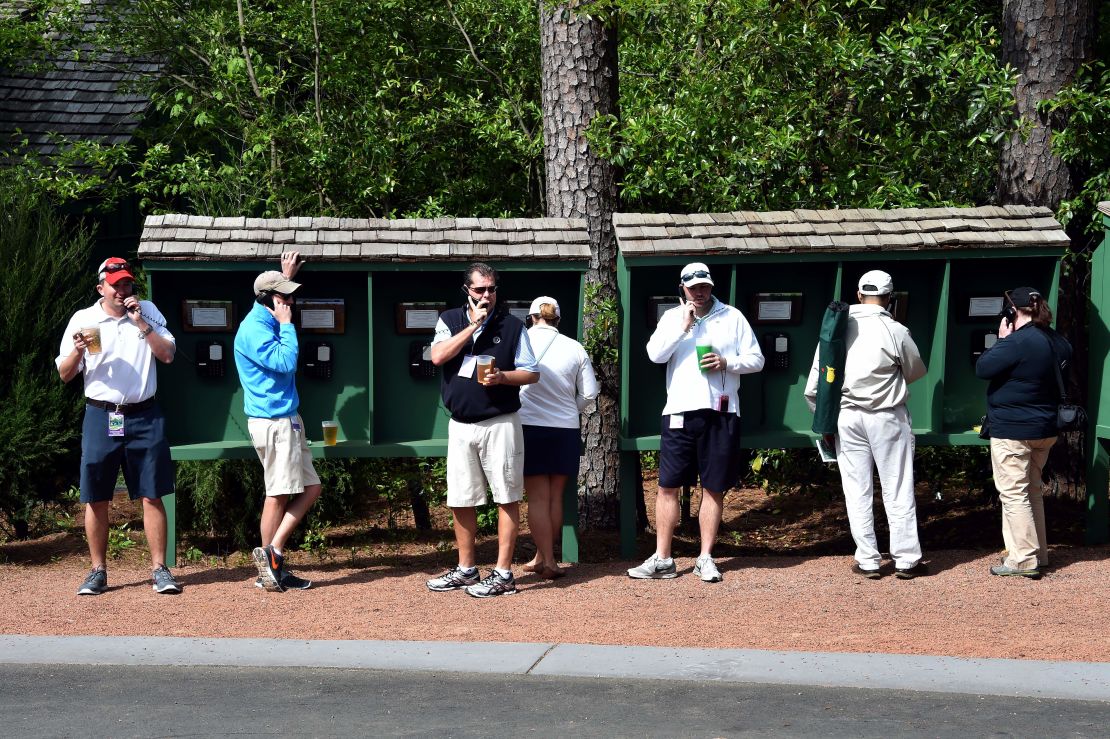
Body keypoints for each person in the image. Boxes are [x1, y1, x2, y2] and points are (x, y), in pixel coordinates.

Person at [629, 262, 764, 582]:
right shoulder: (673, 317)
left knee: (714, 487)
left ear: (711, 286)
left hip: (722, 412)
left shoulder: (732, 317)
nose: (700, 292)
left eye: (704, 286)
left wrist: (727, 362)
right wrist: (683, 326)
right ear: (683, 289)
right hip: (679, 410)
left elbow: (757, 360)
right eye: (693, 288)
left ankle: (705, 557)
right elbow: (655, 355)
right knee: (667, 486)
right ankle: (663, 558)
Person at [56, 257, 181, 595]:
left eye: (127, 284)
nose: (123, 291)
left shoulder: (148, 311)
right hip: (101, 415)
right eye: (116, 285)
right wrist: (78, 353)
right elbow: (65, 374)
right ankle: (98, 570)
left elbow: (167, 355)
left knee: (152, 493)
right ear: (101, 288)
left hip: (144, 414)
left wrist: (142, 324)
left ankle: (160, 569)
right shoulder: (85, 320)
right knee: (96, 496)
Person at [425, 263, 540, 598]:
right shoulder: (449, 320)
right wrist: (471, 326)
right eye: (480, 290)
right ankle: (466, 569)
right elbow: (437, 357)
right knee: (461, 498)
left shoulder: (513, 325)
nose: (486, 295)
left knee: (506, 496)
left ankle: (503, 574)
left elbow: (531, 373)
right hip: (461, 425)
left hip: (500, 422)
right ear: (467, 291)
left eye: (491, 289)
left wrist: (503, 377)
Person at [804, 269, 927, 580]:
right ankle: (906, 559)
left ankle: (869, 560)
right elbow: (915, 371)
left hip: (846, 417)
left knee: (856, 490)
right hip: (887, 416)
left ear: (858, 295)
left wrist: (824, 418)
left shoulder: (835, 329)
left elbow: (817, 382)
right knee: (897, 488)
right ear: (889, 298)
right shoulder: (895, 330)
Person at [234, 251, 321, 592]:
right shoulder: (255, 328)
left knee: (310, 487)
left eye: (289, 295)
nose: (290, 301)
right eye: (283, 296)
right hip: (272, 421)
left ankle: (273, 555)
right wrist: (287, 325)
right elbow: (286, 362)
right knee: (279, 493)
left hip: (287, 417)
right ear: (266, 300)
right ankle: (269, 564)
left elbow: (275, 294)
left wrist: (283, 276)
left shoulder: (267, 316)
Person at [975, 286, 1071, 580]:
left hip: (1013, 430)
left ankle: (1022, 559)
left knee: (1014, 494)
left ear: (1012, 311)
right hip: (1045, 428)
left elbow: (982, 367)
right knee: (1032, 492)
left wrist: (1003, 339)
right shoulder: (1057, 340)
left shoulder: (1017, 341)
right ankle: (1037, 553)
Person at [518, 296, 599, 579]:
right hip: (565, 428)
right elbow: (589, 393)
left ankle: (549, 561)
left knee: (537, 498)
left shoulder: (520, 343)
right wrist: (568, 410)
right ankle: (543, 556)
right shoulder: (574, 347)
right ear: (558, 319)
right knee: (555, 497)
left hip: (529, 425)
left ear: (530, 318)